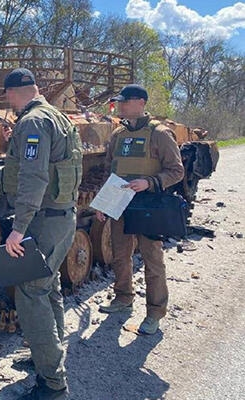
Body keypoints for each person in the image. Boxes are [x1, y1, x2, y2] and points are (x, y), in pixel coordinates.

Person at [2, 68, 82, 400]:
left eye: (6, 96)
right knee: (50, 289)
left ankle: (52, 382)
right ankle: (46, 356)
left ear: (12, 93)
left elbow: (34, 178)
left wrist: (18, 229)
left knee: (31, 293)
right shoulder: (55, 116)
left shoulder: (33, 122)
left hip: (42, 221)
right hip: (62, 218)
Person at [97, 84, 184, 335]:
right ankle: (123, 298)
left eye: (125, 101)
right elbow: (108, 171)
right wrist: (103, 204)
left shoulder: (159, 133)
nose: (121, 106)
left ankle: (155, 312)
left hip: (148, 205)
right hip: (120, 203)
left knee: (152, 259)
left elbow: (176, 171)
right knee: (120, 254)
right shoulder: (118, 134)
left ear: (141, 102)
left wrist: (150, 182)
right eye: (119, 102)